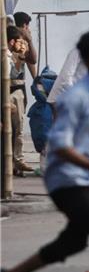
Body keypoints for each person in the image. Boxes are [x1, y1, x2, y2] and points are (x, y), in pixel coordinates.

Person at [2, 28, 89, 272]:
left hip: (82, 178)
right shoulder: (75, 98)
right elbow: (62, 148)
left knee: (73, 241)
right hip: (65, 180)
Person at [7, 26, 34, 175]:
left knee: (17, 129)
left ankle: (15, 161)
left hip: (16, 92)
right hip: (9, 94)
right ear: (12, 41)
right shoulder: (6, 56)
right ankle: (14, 161)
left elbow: (31, 60)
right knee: (14, 130)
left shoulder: (14, 54)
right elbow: (10, 76)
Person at [13, 12, 38, 78]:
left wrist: (29, 41)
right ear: (24, 26)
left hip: (18, 83)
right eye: (27, 27)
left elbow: (33, 60)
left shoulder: (24, 43)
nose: (29, 30)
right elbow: (14, 73)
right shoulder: (12, 41)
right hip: (11, 83)